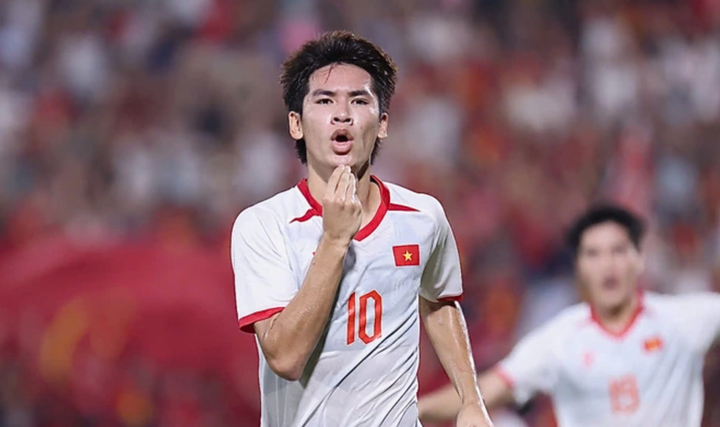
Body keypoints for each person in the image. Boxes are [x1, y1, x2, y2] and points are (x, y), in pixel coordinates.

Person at [230, 31, 493, 427]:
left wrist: (470, 400)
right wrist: (335, 240)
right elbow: (285, 357)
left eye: (359, 100)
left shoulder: (423, 217)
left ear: (382, 123)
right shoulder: (263, 226)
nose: (343, 114)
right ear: (296, 124)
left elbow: (439, 302)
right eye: (324, 101)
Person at [418, 204, 720, 427]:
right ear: (579, 266)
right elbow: (486, 390)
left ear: (639, 258)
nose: (607, 265)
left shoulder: (681, 321)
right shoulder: (560, 339)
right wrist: (413, 409)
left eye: (618, 251)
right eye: (593, 254)